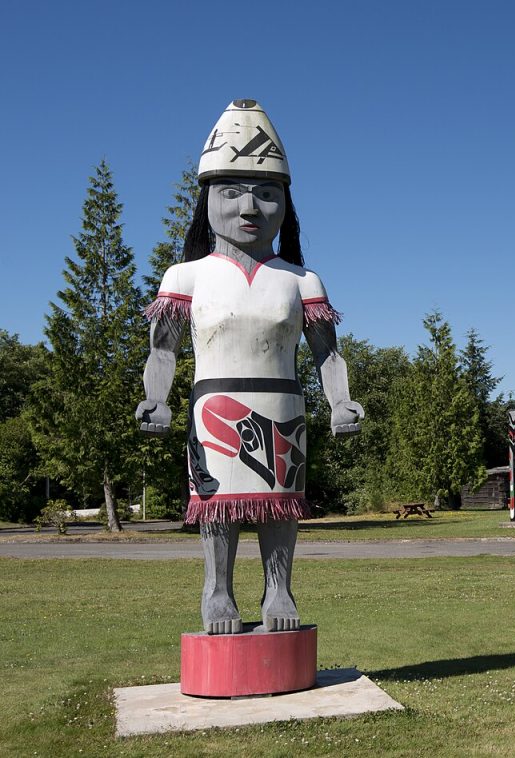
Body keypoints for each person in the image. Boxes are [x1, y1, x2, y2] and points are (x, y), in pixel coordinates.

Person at [136, 99, 363, 633]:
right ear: (207, 200)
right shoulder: (185, 276)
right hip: (214, 402)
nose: (249, 207)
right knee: (217, 504)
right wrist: (156, 396)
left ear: (285, 202)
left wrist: (340, 401)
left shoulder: (302, 281)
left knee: (280, 505)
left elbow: (327, 353)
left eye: (265, 192)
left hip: (282, 401)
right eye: (231, 191)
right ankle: (217, 593)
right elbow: (163, 350)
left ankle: (279, 591)